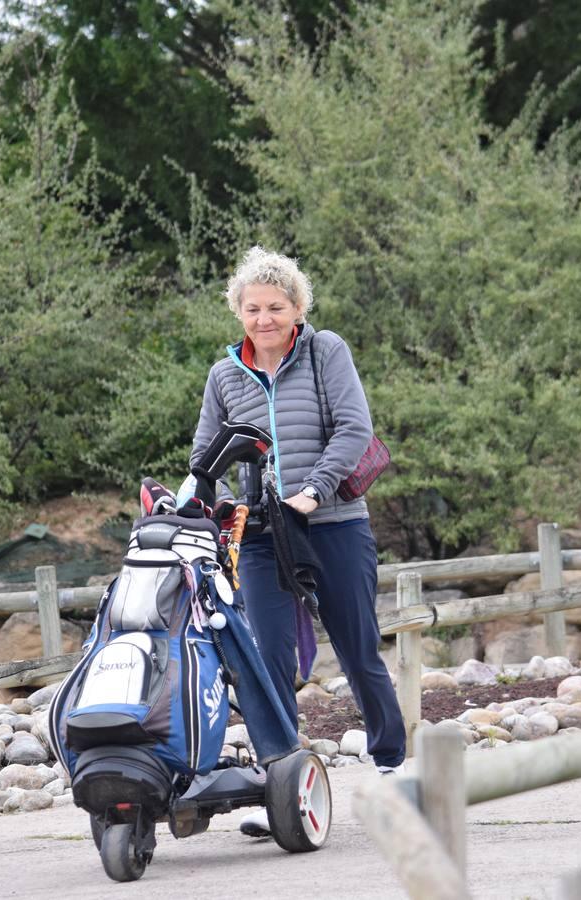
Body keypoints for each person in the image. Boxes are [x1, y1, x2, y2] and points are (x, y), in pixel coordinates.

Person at [190, 245, 407, 837]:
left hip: (332, 522)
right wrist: (197, 499)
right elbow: (204, 453)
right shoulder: (224, 375)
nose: (265, 319)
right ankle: (284, 788)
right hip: (260, 533)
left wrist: (313, 489)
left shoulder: (324, 350)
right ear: (238, 311)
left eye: (277, 307)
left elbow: (354, 427)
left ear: (298, 308)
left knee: (358, 649)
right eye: (254, 308)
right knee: (269, 664)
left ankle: (391, 767)